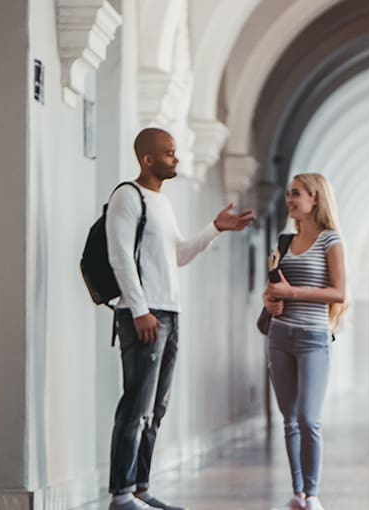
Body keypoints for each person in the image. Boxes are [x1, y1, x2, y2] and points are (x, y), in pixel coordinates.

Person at [106, 127, 255, 510]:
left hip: (170, 312)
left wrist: (214, 229)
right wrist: (138, 309)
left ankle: (140, 487)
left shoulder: (163, 204)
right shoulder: (128, 196)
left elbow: (180, 255)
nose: (177, 159)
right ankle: (120, 495)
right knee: (136, 403)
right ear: (147, 159)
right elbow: (120, 255)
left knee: (157, 406)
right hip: (144, 313)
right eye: (169, 153)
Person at [262, 173, 347, 510]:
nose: (289, 200)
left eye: (295, 194)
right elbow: (271, 289)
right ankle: (297, 492)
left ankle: (312, 494)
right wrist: (270, 300)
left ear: (315, 198)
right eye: (287, 194)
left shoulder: (331, 241)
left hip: (313, 339)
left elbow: (339, 292)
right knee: (289, 418)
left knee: (308, 418)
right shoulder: (282, 242)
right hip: (279, 336)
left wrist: (291, 292)